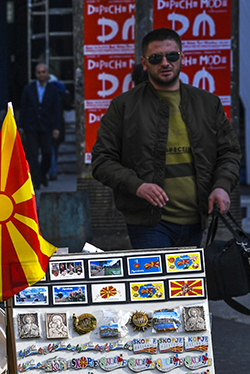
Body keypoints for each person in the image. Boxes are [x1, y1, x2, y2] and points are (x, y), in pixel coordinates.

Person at [91, 28, 241, 249]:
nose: (165, 63)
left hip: (197, 220)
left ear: (182, 57)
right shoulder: (124, 106)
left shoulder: (208, 103)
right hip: (148, 222)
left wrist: (222, 186)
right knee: (155, 284)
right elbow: (102, 161)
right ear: (144, 63)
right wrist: (137, 185)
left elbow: (229, 152)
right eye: (155, 58)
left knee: (188, 285)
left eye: (171, 56)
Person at [19, 62, 62, 188]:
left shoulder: (53, 90)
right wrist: (21, 126)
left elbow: (57, 110)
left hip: (47, 126)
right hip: (31, 126)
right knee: (32, 154)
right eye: (39, 72)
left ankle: (42, 174)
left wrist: (56, 127)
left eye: (43, 72)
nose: (41, 74)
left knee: (47, 153)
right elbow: (24, 108)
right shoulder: (29, 88)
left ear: (47, 74)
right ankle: (36, 180)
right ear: (35, 74)